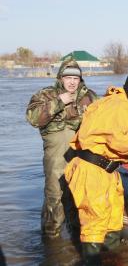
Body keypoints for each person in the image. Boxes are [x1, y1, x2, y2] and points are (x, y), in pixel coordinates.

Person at [64, 71, 128, 264]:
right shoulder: (117, 106)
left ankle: (113, 259)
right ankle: (93, 261)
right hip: (92, 170)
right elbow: (122, 143)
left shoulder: (120, 105)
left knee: (113, 218)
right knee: (95, 220)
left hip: (108, 169)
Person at [26, 56, 97, 239]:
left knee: (78, 196)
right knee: (54, 197)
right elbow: (33, 118)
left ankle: (75, 241)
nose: (72, 82)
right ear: (60, 78)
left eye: (76, 78)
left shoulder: (90, 97)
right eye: (68, 78)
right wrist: (59, 101)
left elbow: (103, 122)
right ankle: (51, 242)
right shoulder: (46, 94)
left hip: (82, 157)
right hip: (55, 157)